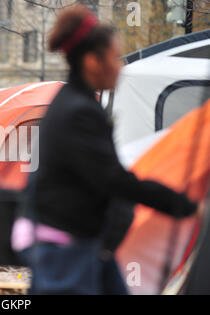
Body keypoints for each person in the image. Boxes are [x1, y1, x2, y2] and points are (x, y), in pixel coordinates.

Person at [11, 6, 198, 295]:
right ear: (92, 61)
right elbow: (113, 179)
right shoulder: (78, 112)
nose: (119, 66)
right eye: (113, 57)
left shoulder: (76, 103)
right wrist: (181, 204)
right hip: (62, 247)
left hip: (84, 241)